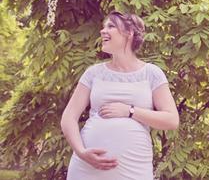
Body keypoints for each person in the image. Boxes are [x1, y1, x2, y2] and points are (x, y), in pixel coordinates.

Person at [61, 11, 179, 180]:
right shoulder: (93, 73)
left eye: (111, 26)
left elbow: (172, 120)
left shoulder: (152, 73)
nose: (103, 31)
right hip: (86, 169)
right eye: (103, 26)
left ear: (129, 33)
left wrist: (130, 111)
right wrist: (81, 152)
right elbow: (68, 117)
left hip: (133, 169)